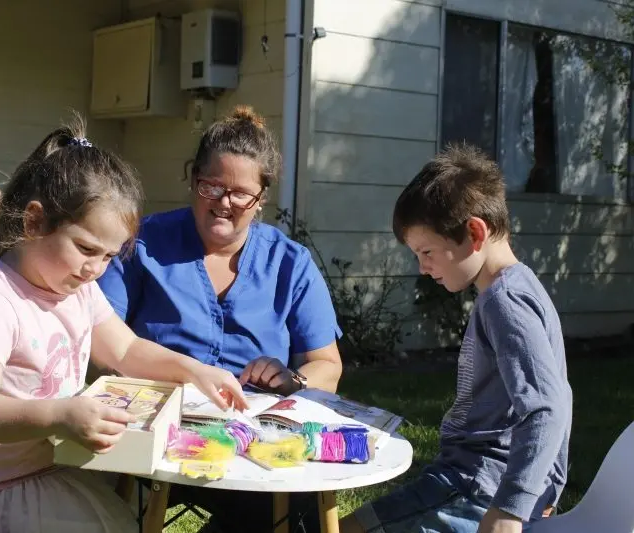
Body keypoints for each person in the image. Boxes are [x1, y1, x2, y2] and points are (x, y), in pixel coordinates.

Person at [0, 116, 248, 533]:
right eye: (86, 248)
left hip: (53, 467)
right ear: (34, 222)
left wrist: (194, 370)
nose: (95, 269)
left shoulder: (75, 288)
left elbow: (125, 350)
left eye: (109, 256)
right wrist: (59, 415)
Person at [98, 105, 343, 532]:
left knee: (300, 516)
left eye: (241, 194)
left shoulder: (290, 263)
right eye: (211, 186)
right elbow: (102, 345)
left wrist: (294, 381)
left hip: (252, 441)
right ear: (193, 179)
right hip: (155, 436)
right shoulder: (142, 244)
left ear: (261, 197)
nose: (224, 204)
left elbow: (328, 364)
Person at [340, 144, 573, 533]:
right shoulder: (515, 286)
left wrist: (511, 509)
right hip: (471, 479)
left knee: (347, 529)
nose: (423, 267)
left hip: (478, 487)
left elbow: (549, 408)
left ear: (474, 232)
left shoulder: (506, 301)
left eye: (427, 251)